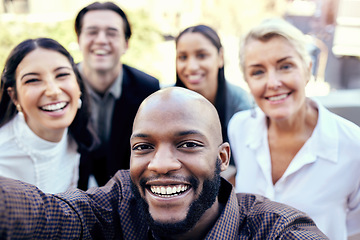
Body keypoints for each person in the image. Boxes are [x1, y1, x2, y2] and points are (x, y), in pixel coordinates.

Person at [0, 87, 327, 239]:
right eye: (144, 146)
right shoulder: (118, 204)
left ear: (222, 158)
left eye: (187, 144)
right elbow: (48, 214)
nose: (161, 163)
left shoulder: (274, 228)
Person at [228, 18, 360, 240]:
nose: (273, 82)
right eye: (258, 72)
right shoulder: (239, 128)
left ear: (308, 69)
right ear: (247, 81)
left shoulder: (353, 145)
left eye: (285, 66)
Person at [74, 1, 160, 189]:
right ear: (79, 39)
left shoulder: (147, 89)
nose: (101, 40)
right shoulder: (62, 86)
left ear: (126, 44)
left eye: (112, 33)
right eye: (92, 32)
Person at [0, 38, 97, 194]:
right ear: (14, 97)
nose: (53, 91)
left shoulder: (83, 138)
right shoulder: (3, 157)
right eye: (33, 80)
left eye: (62, 75)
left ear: (78, 84)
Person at [174, 24, 251, 183]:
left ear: (220, 57)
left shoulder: (242, 106)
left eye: (201, 55)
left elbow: (246, 169)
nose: (192, 66)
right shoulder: (164, 101)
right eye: (183, 57)